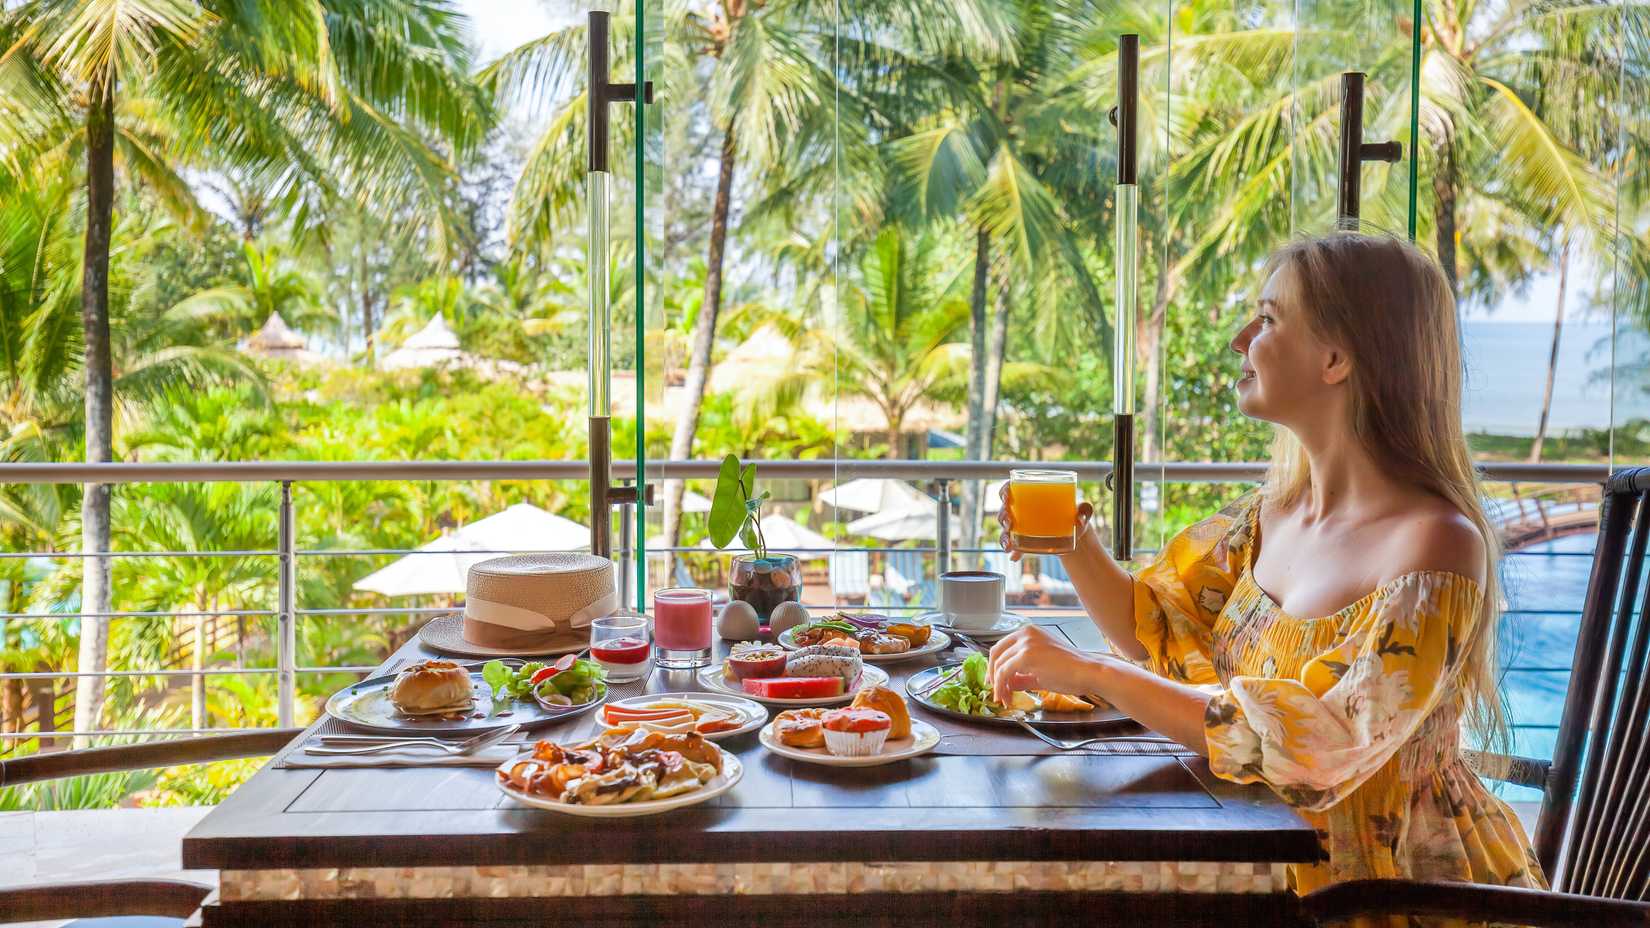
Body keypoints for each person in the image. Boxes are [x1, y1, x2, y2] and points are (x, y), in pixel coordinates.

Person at [990, 232, 1545, 910]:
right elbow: (1154, 631)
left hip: (1393, 893)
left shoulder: (1435, 547)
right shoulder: (1269, 517)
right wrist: (1071, 542)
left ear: (1336, 358)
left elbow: (1318, 744)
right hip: (1262, 860)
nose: (1240, 340)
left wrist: (1091, 672)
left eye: (1269, 319)